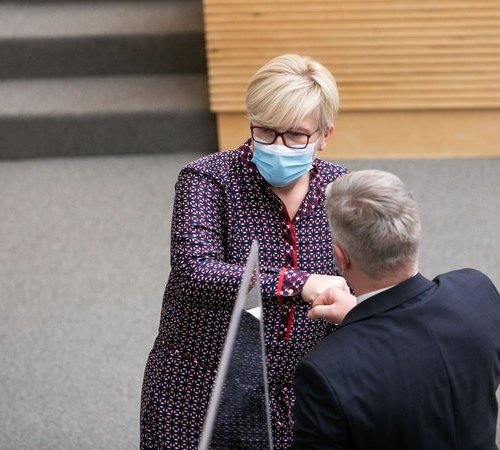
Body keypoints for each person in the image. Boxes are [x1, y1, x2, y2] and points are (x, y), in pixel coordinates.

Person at [140, 54, 350, 449]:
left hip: (302, 393)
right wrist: (297, 283)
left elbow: (361, 279)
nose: (278, 146)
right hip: (202, 386)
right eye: (265, 132)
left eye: (296, 136)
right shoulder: (207, 179)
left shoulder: (343, 190)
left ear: (324, 136)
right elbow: (195, 272)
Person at [292, 170, 500, 450]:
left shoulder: (326, 371)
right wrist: (360, 311)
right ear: (417, 231)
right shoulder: (477, 291)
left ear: (341, 258)